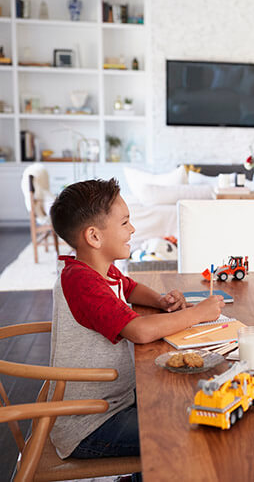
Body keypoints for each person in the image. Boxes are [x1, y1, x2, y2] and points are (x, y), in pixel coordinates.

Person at [48, 178, 224, 462]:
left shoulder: (97, 269)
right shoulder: (80, 280)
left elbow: (128, 287)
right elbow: (140, 332)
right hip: (90, 424)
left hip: (115, 402)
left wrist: (159, 300)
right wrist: (197, 314)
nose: (132, 229)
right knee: (187, 427)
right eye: (125, 223)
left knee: (184, 401)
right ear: (94, 237)